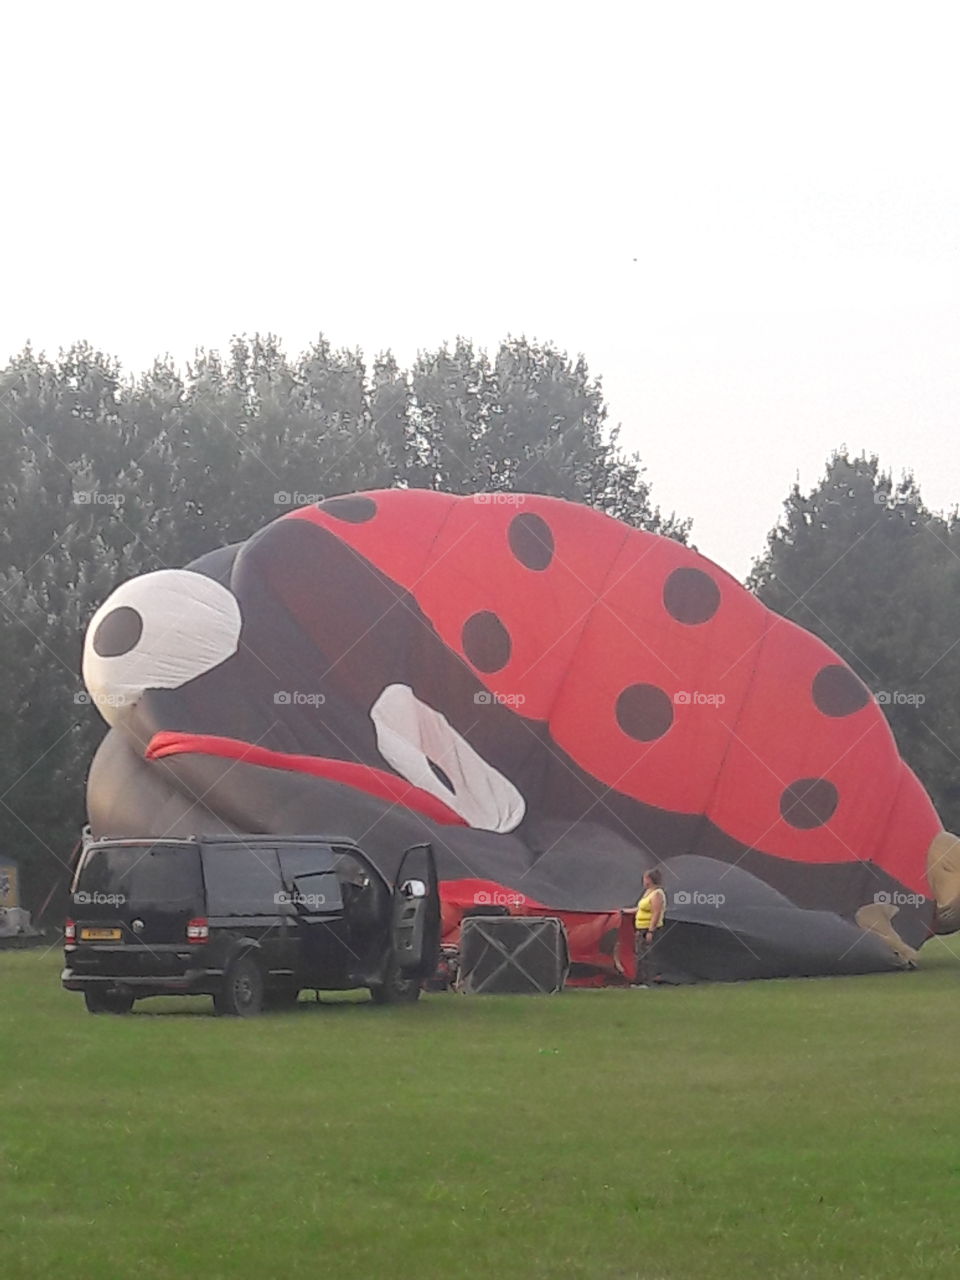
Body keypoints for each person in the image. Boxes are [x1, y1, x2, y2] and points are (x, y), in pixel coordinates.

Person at [632, 868, 666, 987]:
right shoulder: (647, 892)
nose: (643, 880)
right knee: (639, 954)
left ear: (650, 880)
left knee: (647, 954)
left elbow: (656, 913)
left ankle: (648, 981)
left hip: (649, 928)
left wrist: (650, 931)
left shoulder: (657, 894)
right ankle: (639, 980)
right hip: (640, 927)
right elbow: (640, 908)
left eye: (645, 878)